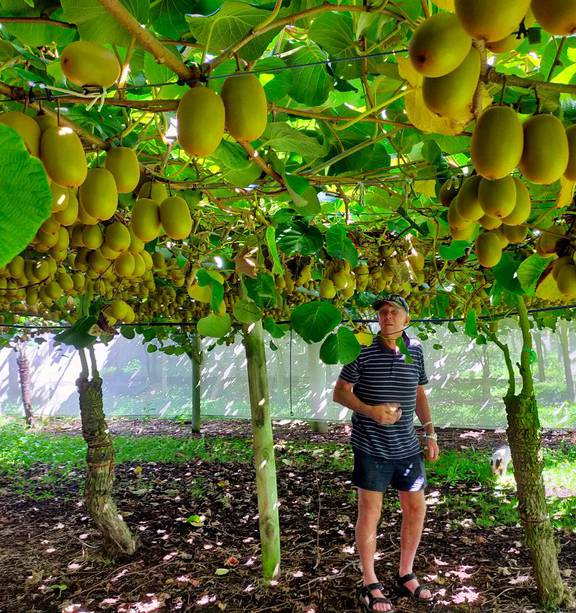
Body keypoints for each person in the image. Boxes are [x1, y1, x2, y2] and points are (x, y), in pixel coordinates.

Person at [333, 295, 439, 613]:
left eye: (394, 311)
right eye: (383, 312)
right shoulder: (361, 348)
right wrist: (370, 410)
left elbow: (419, 392)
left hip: (407, 447)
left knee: (416, 508)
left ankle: (405, 572)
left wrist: (430, 431)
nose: (387, 316)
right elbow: (339, 392)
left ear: (407, 319)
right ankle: (370, 581)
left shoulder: (415, 350)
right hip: (372, 446)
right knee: (370, 513)